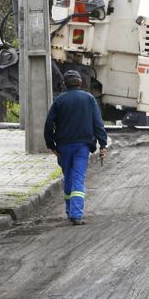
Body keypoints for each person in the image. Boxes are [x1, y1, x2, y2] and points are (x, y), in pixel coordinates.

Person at [44, 70, 107, 225]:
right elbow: (98, 123)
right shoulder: (89, 99)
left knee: (69, 178)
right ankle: (76, 214)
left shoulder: (59, 100)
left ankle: (69, 211)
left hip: (63, 147)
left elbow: (48, 125)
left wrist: (51, 145)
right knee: (78, 178)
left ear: (65, 84)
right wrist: (102, 144)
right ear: (80, 83)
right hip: (82, 147)